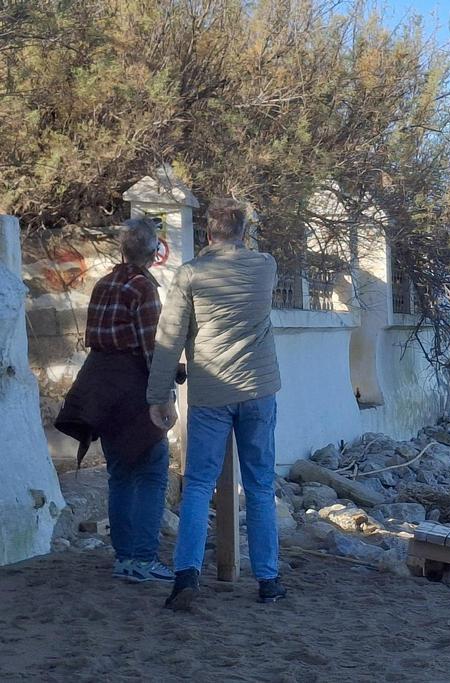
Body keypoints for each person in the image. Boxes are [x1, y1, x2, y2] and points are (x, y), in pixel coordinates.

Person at [146, 198, 285, 610]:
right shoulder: (266, 267)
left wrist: (160, 395)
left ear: (207, 233)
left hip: (211, 393)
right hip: (259, 390)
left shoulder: (190, 274)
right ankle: (269, 580)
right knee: (260, 485)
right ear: (244, 232)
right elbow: (251, 251)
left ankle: (186, 575)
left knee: (198, 486)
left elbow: (170, 339)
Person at [54, 217, 174, 583]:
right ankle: (144, 559)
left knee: (119, 474)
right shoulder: (143, 288)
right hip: (133, 388)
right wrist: (163, 396)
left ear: (123, 249)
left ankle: (124, 558)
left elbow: (96, 338)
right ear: (154, 253)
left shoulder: (104, 284)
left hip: (100, 389)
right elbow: (152, 348)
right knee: (153, 472)